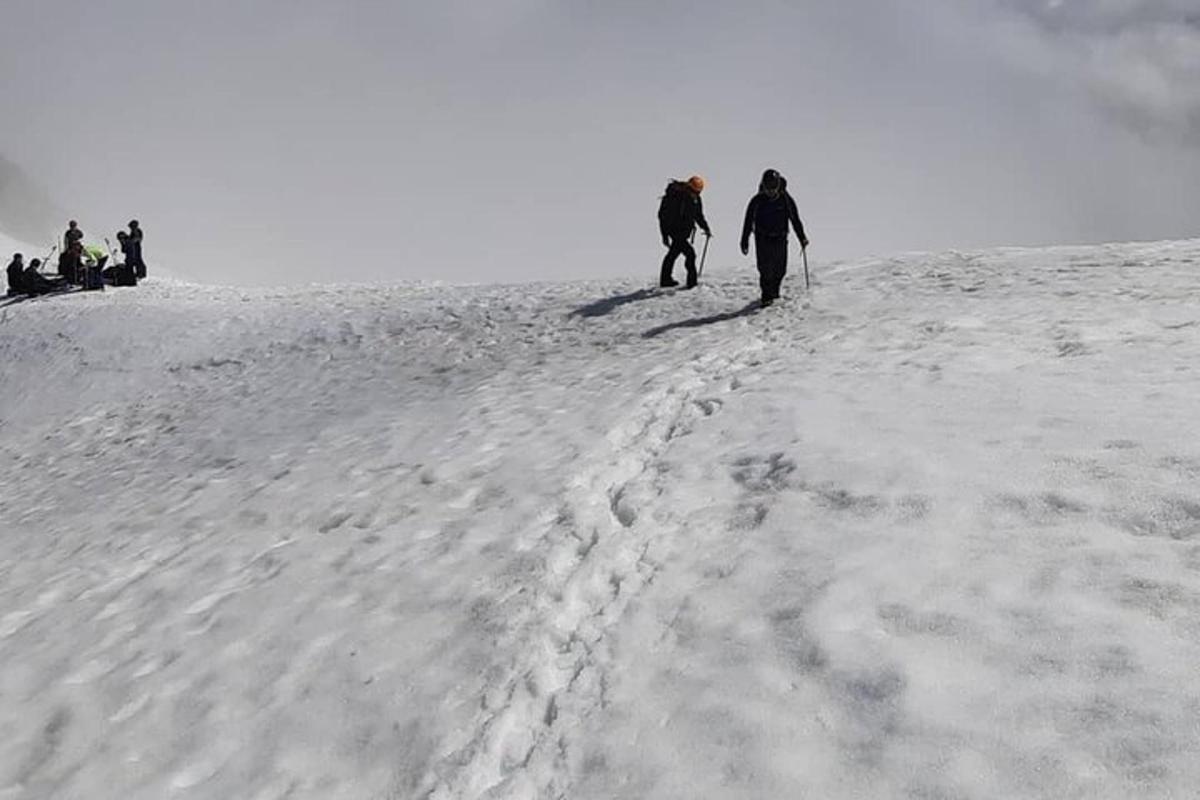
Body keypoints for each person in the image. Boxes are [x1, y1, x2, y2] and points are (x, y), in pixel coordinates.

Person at [740, 169, 809, 308]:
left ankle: (774, 292)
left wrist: (802, 237)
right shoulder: (757, 201)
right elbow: (748, 221)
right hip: (762, 238)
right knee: (765, 269)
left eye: (773, 188)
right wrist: (744, 240)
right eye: (768, 188)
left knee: (780, 269)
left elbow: (795, 219)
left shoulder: (785, 200)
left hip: (780, 238)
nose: (770, 191)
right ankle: (766, 296)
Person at [657, 175, 711, 288]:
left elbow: (698, 215)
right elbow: (664, 217)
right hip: (676, 232)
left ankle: (665, 280)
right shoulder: (678, 198)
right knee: (690, 254)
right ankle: (692, 282)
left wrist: (705, 228)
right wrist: (665, 235)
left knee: (673, 254)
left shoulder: (695, 199)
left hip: (683, 232)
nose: (696, 193)